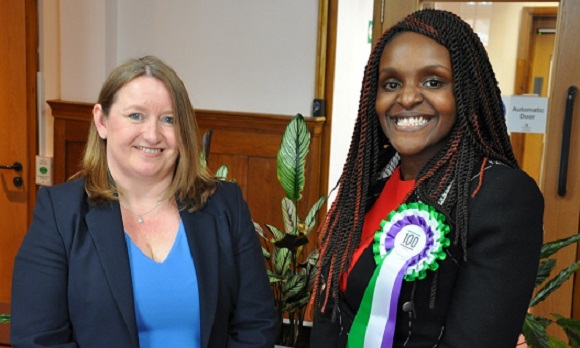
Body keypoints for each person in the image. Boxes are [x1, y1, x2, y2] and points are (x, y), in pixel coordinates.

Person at [311, 9, 543, 348]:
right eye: (391, 83)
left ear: (466, 91)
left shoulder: (499, 195)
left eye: (433, 81)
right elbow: (332, 313)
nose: (406, 98)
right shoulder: (367, 188)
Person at [11, 56, 278, 348]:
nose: (152, 135)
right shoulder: (60, 213)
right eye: (136, 116)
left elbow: (256, 326)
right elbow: (38, 340)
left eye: (168, 119)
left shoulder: (225, 205)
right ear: (102, 121)